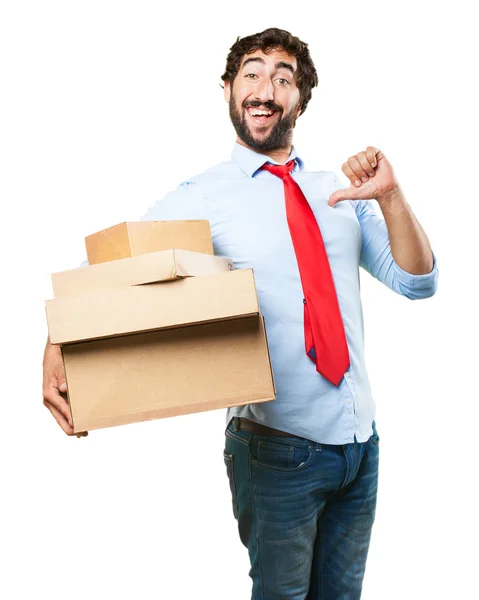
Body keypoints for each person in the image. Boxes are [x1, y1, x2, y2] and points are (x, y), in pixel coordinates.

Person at [42, 27, 438, 600]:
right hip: (277, 450)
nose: (266, 87)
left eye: (284, 77)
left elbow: (417, 281)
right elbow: (108, 266)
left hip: (361, 446)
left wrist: (391, 197)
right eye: (252, 73)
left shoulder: (339, 192)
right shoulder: (206, 195)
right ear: (229, 90)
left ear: (300, 98)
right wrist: (56, 339)